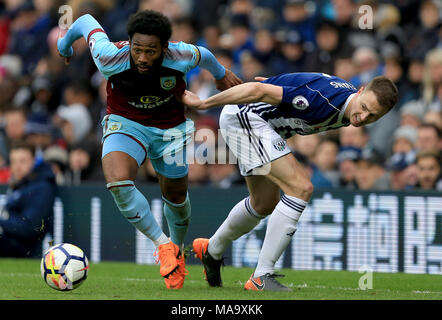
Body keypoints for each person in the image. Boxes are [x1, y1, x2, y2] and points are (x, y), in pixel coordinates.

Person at [57, 10, 242, 289]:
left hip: (170, 129)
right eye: (137, 49)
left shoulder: (180, 55)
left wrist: (220, 74)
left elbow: (203, 54)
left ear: (165, 48)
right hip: (126, 123)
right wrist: (64, 44)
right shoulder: (109, 56)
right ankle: (163, 245)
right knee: (118, 181)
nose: (142, 57)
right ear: (129, 43)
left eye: (151, 51)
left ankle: (177, 251)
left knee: (176, 197)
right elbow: (84, 21)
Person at [182, 72, 398, 291]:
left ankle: (211, 249)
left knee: (263, 204)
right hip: (245, 119)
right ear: (360, 91)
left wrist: (279, 82)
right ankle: (262, 276)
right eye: (364, 107)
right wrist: (203, 103)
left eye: (372, 116)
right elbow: (258, 91)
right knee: (301, 188)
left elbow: (310, 78)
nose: (362, 117)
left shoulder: (347, 99)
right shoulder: (325, 101)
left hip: (259, 124)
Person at [0, 141, 56, 257]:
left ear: (34, 161)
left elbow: (30, 227)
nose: (17, 167)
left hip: (25, 250)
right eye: (14, 162)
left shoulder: (41, 188)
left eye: (23, 161)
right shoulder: (19, 186)